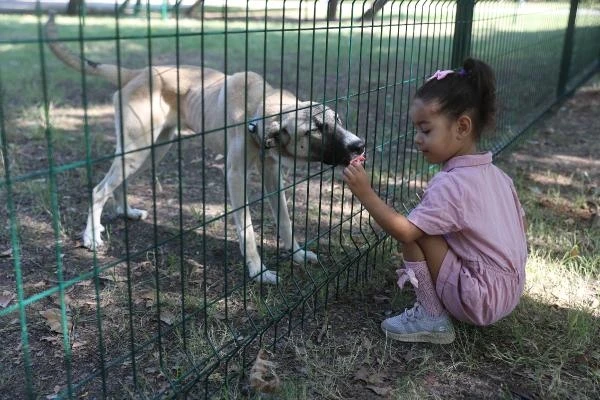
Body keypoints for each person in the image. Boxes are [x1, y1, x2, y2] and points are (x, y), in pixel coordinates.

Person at [343, 58, 527, 344]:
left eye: (426, 130)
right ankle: (451, 300)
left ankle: (431, 316)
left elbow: (404, 232)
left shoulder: (451, 183)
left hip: (479, 298)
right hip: (510, 290)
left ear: (462, 127)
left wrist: (366, 193)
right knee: (428, 224)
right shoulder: (499, 177)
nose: (417, 139)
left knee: (415, 232)